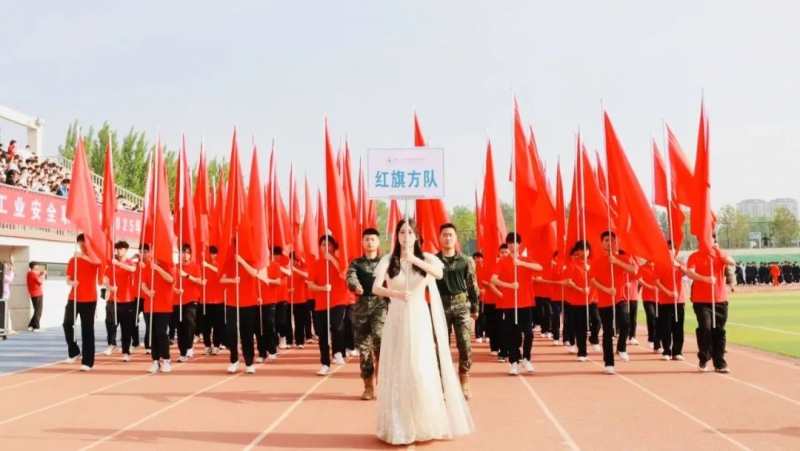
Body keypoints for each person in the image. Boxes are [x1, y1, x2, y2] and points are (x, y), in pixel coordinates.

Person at [371, 219, 475, 446]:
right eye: (401, 232)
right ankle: (398, 426)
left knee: (420, 368)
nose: (405, 236)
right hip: (396, 319)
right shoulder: (388, 260)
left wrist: (414, 259)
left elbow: (438, 274)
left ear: (416, 236)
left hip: (419, 319)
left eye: (410, 232)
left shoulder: (427, 259)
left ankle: (425, 424)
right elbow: (376, 288)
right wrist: (396, 294)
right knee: (399, 368)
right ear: (396, 236)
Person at [434, 223, 480, 398]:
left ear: (455, 238)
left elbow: (472, 285)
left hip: (461, 305)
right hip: (440, 306)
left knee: (465, 343)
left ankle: (464, 381)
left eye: (450, 235)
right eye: (444, 235)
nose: (448, 238)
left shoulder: (466, 260)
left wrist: (475, 307)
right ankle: (443, 382)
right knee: (441, 346)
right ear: (440, 238)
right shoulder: (434, 260)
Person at [683, 234, 736, 373]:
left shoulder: (720, 255)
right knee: (705, 328)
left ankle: (719, 362)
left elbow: (732, 262)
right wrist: (704, 279)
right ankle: (704, 358)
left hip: (720, 299)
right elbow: (690, 273)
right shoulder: (694, 256)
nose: (707, 241)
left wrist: (717, 250)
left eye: (710, 238)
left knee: (719, 331)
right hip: (701, 300)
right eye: (704, 238)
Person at [346, 227, 387, 400]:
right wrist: (355, 286)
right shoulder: (356, 264)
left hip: (380, 306)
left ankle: (383, 383)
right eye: (366, 239)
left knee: (380, 343)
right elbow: (350, 277)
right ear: (362, 242)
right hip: (362, 308)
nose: (369, 242)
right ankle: (368, 386)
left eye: (372, 239)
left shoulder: (385, 262)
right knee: (364, 349)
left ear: (378, 242)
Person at [63, 233, 100, 372]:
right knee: (67, 324)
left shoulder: (93, 258)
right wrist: (71, 282)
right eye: (80, 242)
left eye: (84, 242)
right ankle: (74, 351)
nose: (82, 245)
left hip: (89, 299)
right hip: (74, 297)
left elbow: (97, 263)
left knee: (87, 330)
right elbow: (67, 278)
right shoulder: (73, 260)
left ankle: (88, 361)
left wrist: (82, 256)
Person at [103, 241, 137, 361]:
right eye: (117, 249)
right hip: (113, 299)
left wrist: (118, 263)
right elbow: (105, 278)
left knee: (126, 327)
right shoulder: (112, 264)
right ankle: (112, 344)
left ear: (126, 250)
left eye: (121, 249)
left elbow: (132, 269)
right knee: (110, 323)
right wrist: (110, 287)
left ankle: (126, 352)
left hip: (127, 300)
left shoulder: (129, 262)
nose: (119, 251)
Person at [27, 261, 46, 332]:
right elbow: (41, 282)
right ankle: (36, 327)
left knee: (36, 310)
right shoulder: (33, 274)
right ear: (34, 266)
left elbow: (37, 276)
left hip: (33, 294)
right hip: (37, 294)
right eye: (37, 265)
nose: (38, 266)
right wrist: (43, 275)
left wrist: (40, 274)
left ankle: (31, 325)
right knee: (38, 311)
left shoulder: (29, 273)